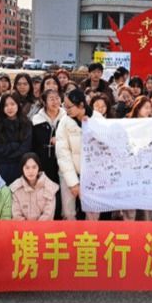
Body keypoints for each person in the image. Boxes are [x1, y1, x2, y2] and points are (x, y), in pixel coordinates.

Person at [57, 89, 97, 220]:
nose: (66, 110)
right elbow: (62, 153)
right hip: (68, 172)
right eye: (64, 106)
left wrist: (90, 127)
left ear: (81, 105)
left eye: (69, 107)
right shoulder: (64, 122)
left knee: (93, 211)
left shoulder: (97, 118)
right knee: (68, 213)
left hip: (92, 175)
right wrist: (73, 183)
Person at [32, 89, 66, 219]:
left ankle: (59, 219)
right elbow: (33, 143)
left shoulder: (66, 117)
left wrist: (59, 140)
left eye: (57, 98)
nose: (55, 101)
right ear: (44, 102)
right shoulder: (36, 120)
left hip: (62, 161)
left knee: (62, 194)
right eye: (51, 99)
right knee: (45, 193)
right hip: (43, 161)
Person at [0, 93, 33, 185]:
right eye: (6, 105)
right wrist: (14, 145)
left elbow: (26, 148)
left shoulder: (26, 123)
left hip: (21, 166)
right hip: (2, 168)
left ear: (18, 105)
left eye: (12, 104)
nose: (9, 108)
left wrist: (9, 152)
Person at [11, 153, 59, 221]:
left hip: (43, 226)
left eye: (34, 167)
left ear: (38, 168)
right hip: (22, 227)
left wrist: (36, 226)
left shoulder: (49, 186)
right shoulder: (15, 188)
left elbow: (48, 214)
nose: (31, 171)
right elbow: (16, 214)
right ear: (22, 169)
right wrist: (27, 226)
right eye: (27, 168)